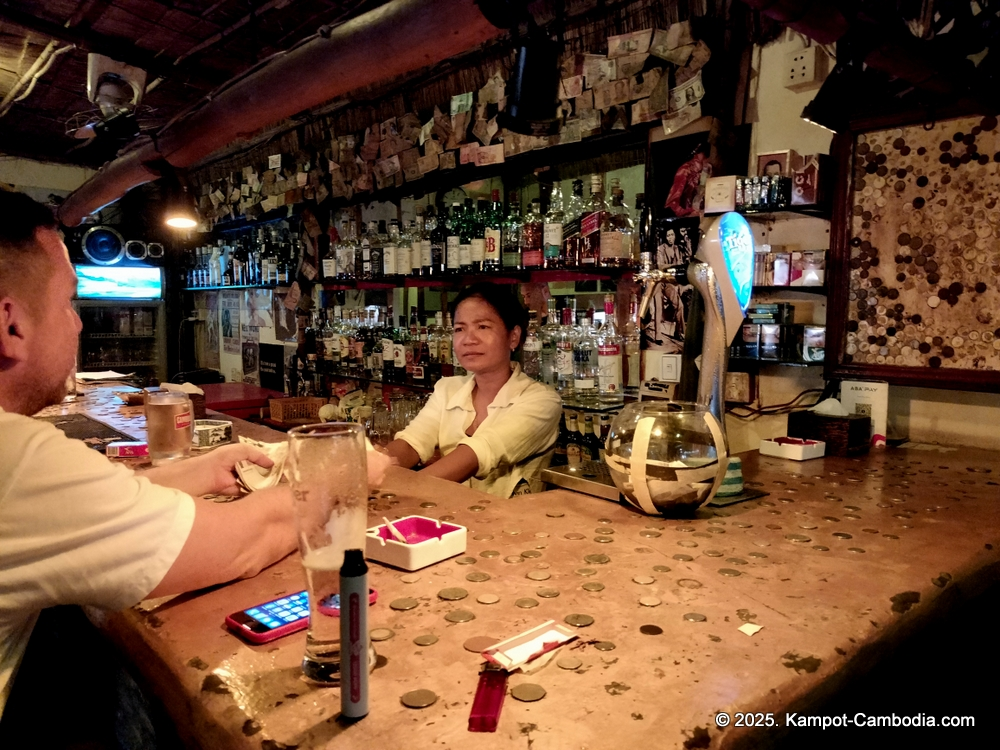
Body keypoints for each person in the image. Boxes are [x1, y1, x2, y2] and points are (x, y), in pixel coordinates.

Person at [0, 191, 310, 725]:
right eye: (68, 302)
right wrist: (341, 478)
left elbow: (88, 500)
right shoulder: (15, 458)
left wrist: (189, 473)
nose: (77, 325)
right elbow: (243, 543)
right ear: (11, 324)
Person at [385, 283, 562, 498]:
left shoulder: (542, 400)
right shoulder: (447, 389)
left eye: (483, 327)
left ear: (513, 336)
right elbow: (412, 442)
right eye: (460, 329)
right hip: (448, 520)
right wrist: (374, 466)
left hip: (511, 525)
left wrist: (401, 491)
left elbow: (480, 452)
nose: (469, 339)